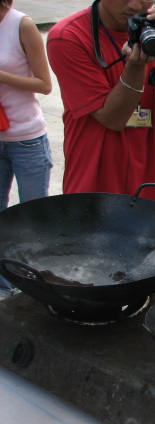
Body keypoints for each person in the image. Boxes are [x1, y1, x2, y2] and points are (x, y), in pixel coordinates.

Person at [47, 0, 155, 205]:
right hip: (93, 178)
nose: (135, 4)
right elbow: (112, 119)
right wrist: (135, 67)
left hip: (148, 177)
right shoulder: (68, 36)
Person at [0, 0, 53, 298]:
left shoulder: (22, 25)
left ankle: (35, 287)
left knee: (33, 219)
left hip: (25, 138)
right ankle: (5, 288)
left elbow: (44, 84)